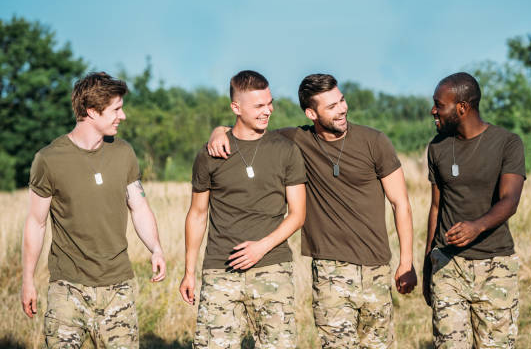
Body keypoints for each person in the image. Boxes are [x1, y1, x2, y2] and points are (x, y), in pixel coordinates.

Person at [208, 73, 417, 349]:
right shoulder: (296, 140)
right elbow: (249, 131)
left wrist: (406, 261)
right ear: (311, 113)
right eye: (331, 106)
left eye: (341, 101)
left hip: (376, 267)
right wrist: (219, 130)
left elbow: (400, 203)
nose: (341, 109)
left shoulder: (375, 142)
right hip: (330, 269)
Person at [21, 72, 166, 347]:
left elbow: (139, 206)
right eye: (116, 110)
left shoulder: (124, 153)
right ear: (91, 111)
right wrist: (28, 280)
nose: (122, 117)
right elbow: (35, 223)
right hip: (67, 289)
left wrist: (156, 248)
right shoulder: (48, 160)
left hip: (117, 289)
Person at [179, 70, 307, 349]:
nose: (268, 111)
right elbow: (198, 214)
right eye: (259, 106)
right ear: (236, 108)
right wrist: (189, 271)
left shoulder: (286, 150)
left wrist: (261, 247)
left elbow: (298, 214)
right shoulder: (210, 154)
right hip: (219, 270)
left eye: (269, 103)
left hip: (273, 268)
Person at [423, 72, 526, 348]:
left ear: (462, 107)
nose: (433, 110)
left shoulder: (508, 143)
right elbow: (436, 207)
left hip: (495, 265)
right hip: (447, 265)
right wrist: (426, 265)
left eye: (438, 104)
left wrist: (476, 226)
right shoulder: (437, 148)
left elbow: (510, 200)